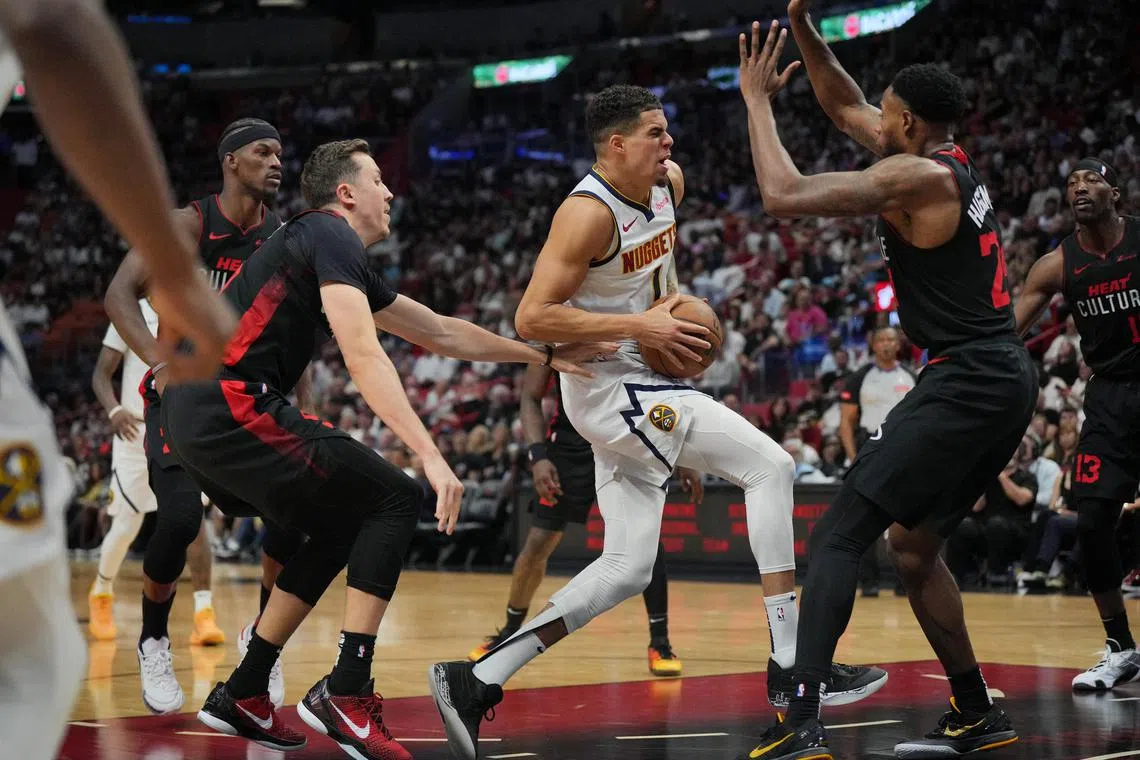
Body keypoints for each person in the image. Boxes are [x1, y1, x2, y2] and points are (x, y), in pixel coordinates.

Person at [428, 83, 887, 760]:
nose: (669, 143)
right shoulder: (586, 214)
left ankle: (476, 679)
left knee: (626, 567)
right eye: (654, 133)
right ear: (616, 145)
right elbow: (531, 318)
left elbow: (658, 283)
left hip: (646, 384)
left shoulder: (669, 183)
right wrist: (636, 326)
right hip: (607, 388)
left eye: (667, 131)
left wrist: (675, 425)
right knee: (773, 465)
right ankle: (791, 664)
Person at [164, 138, 608, 760]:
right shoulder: (329, 234)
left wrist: (542, 354)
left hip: (202, 413)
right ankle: (346, 691)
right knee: (395, 496)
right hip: (227, 403)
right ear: (346, 194)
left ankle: (243, 690)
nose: (391, 192)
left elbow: (439, 331)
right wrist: (428, 454)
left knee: (341, 524)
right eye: (379, 180)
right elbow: (363, 352)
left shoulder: (323, 247)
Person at [737, 6, 1036, 758]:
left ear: (905, 121)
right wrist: (804, 24)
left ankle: (799, 718)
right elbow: (841, 102)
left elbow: (783, 193)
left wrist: (757, 102)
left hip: (966, 377)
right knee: (912, 546)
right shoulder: (939, 157)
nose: (877, 116)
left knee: (841, 534)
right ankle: (976, 711)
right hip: (998, 376)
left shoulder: (912, 178)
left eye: (888, 111)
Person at [0, 2, 237, 758]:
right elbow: (50, 19)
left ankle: (196, 612)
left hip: (183, 417)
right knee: (34, 636)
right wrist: (168, 268)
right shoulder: (136, 310)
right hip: (137, 419)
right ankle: (105, 593)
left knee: (181, 522)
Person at [104, 117, 305, 714]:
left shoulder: (281, 238)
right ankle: (154, 638)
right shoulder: (189, 224)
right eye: (263, 152)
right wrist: (154, 360)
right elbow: (119, 293)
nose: (276, 162)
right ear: (230, 162)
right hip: (183, 396)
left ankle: (260, 644)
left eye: (280, 153)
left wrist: (306, 406)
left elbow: (288, 327)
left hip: (247, 396)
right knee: (181, 521)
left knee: (291, 517)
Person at [466, 363, 701, 676]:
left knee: (643, 540)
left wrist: (684, 453)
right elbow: (530, 397)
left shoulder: (639, 321)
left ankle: (659, 641)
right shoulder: (555, 323)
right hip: (569, 442)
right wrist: (538, 456)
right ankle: (509, 630)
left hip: (627, 435)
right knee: (539, 540)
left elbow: (665, 389)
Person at [1014, 158, 1140, 690]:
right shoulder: (1056, 264)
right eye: (1070, 184)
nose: (1079, 189)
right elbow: (1008, 333)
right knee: (1091, 522)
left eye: (1090, 181)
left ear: (1115, 192)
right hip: (1110, 397)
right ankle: (1121, 647)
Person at [87, 297, 218, 641]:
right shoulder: (130, 311)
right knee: (127, 523)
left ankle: (204, 613)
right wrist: (114, 411)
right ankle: (101, 591)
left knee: (194, 521)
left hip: (180, 428)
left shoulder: (195, 309)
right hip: (135, 432)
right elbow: (102, 374)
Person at [837, 326, 916, 596]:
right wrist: (852, 458)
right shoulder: (860, 377)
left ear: (898, 344)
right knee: (866, 517)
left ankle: (905, 581)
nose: (885, 344)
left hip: (905, 450)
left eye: (890, 340)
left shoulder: (910, 376)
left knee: (904, 519)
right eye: (880, 339)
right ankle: (868, 582)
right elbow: (846, 423)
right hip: (869, 447)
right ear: (873, 344)